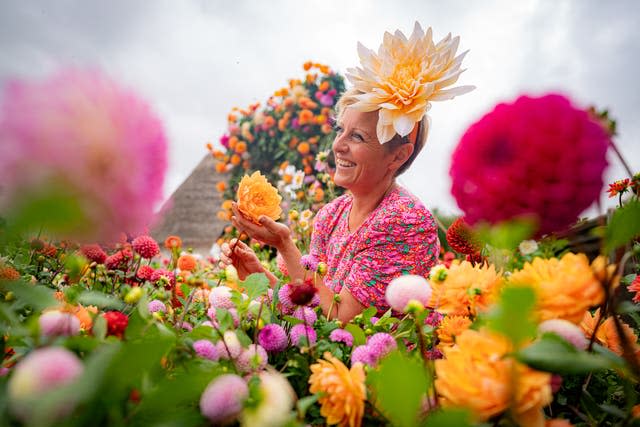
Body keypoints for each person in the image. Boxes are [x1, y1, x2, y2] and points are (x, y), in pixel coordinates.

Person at [220, 22, 473, 322]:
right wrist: (258, 277)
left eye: (357, 137)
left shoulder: (405, 220)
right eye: (340, 130)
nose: (337, 145)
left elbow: (343, 324)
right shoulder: (331, 215)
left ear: (398, 156)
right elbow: (310, 308)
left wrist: (285, 245)